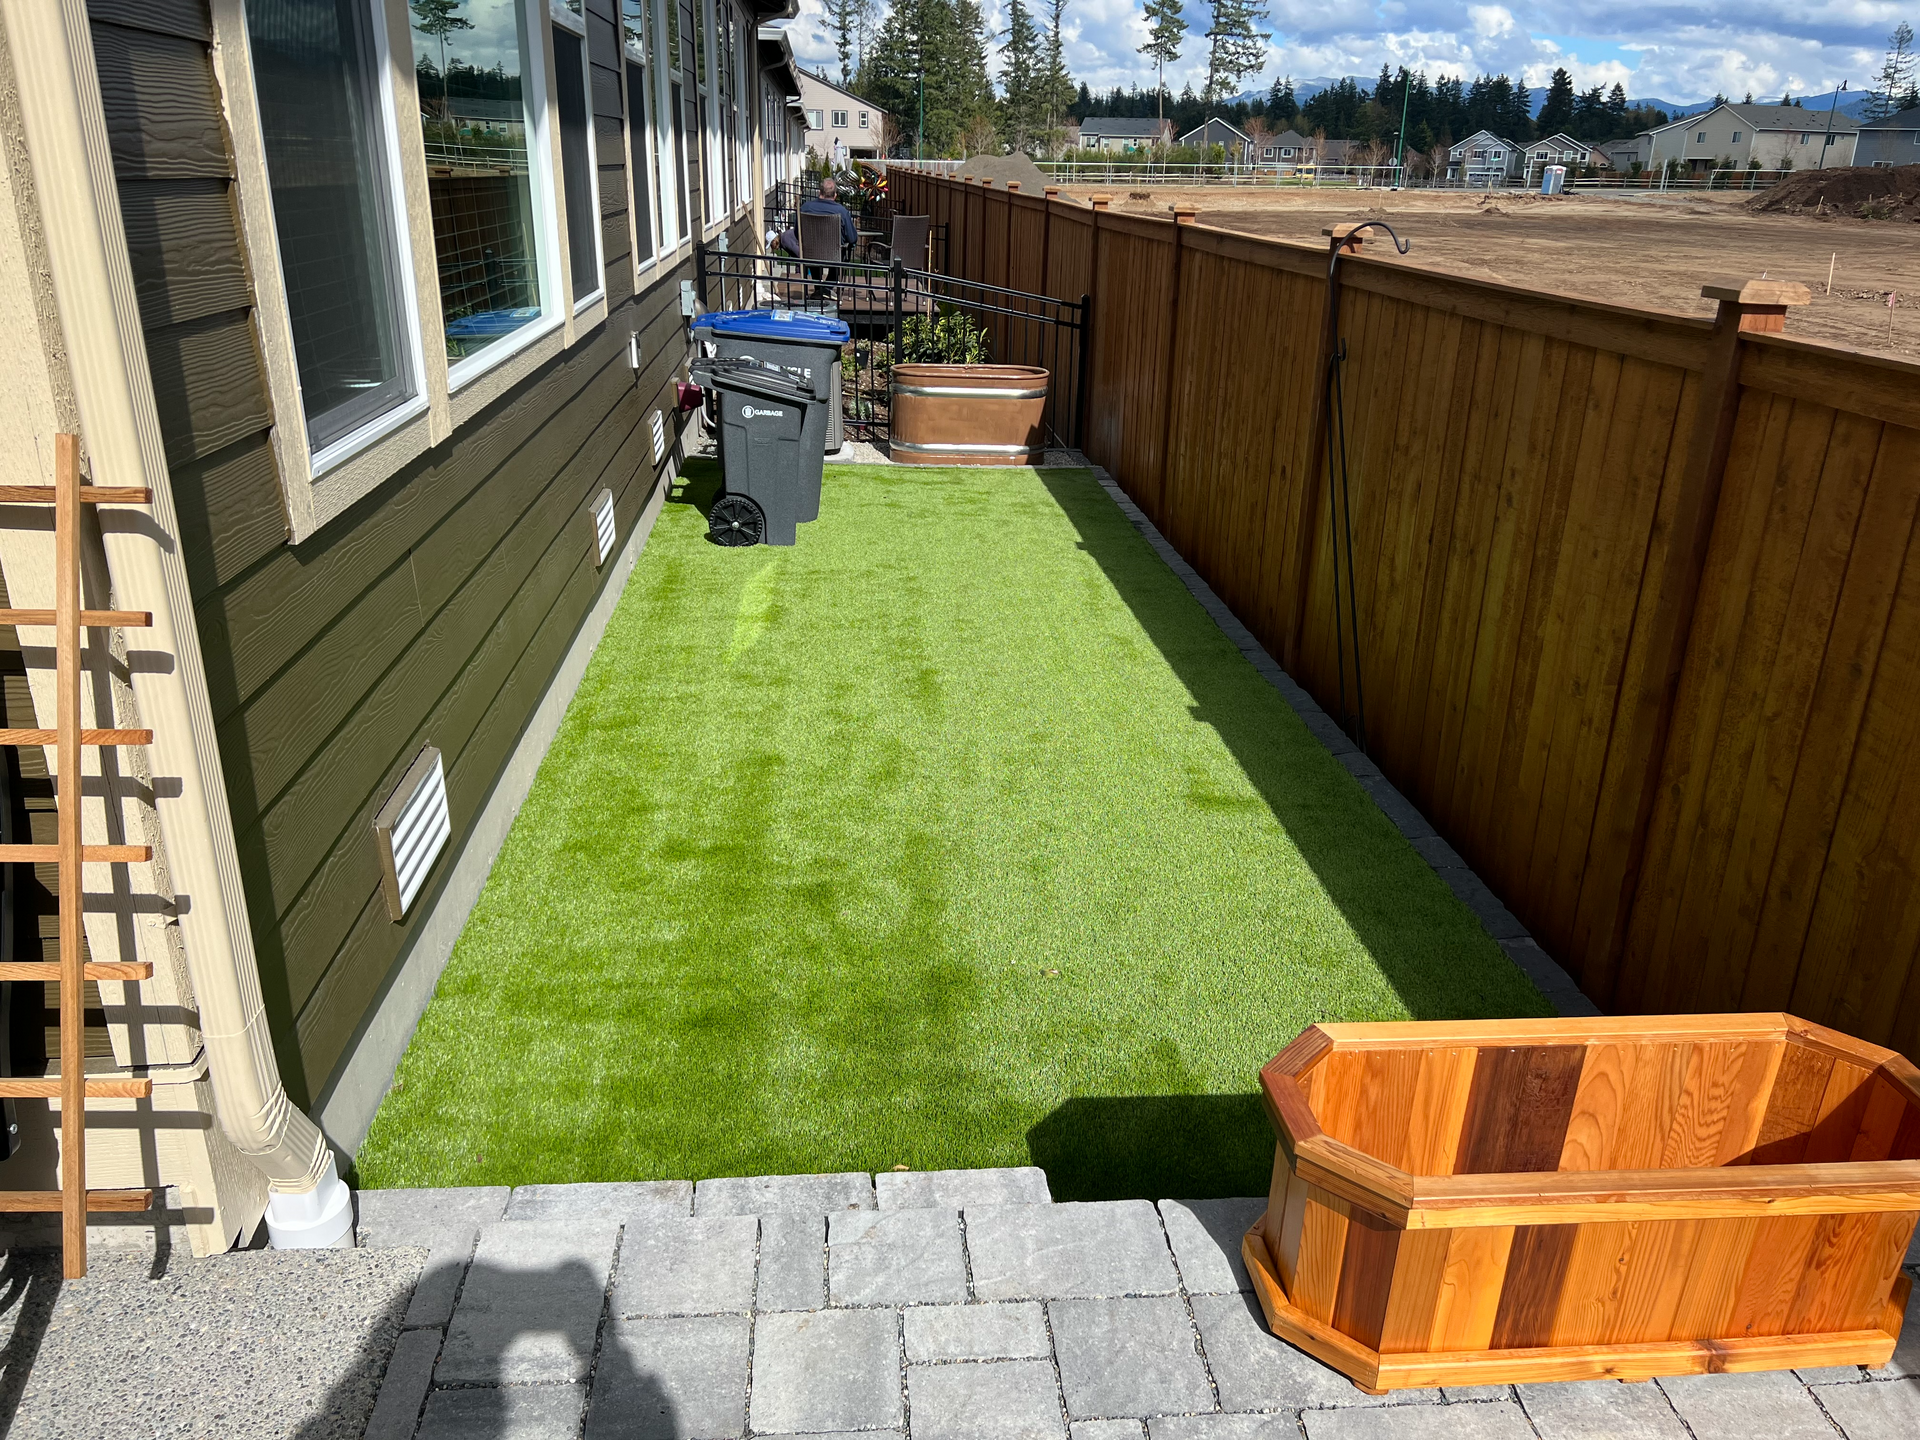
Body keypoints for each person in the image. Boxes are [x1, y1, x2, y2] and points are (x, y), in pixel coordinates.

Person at [799, 176, 858, 255]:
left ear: (819, 192)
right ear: (835, 196)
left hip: (810, 256)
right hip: (834, 257)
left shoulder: (805, 208)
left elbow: (797, 233)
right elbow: (852, 238)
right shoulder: (842, 212)